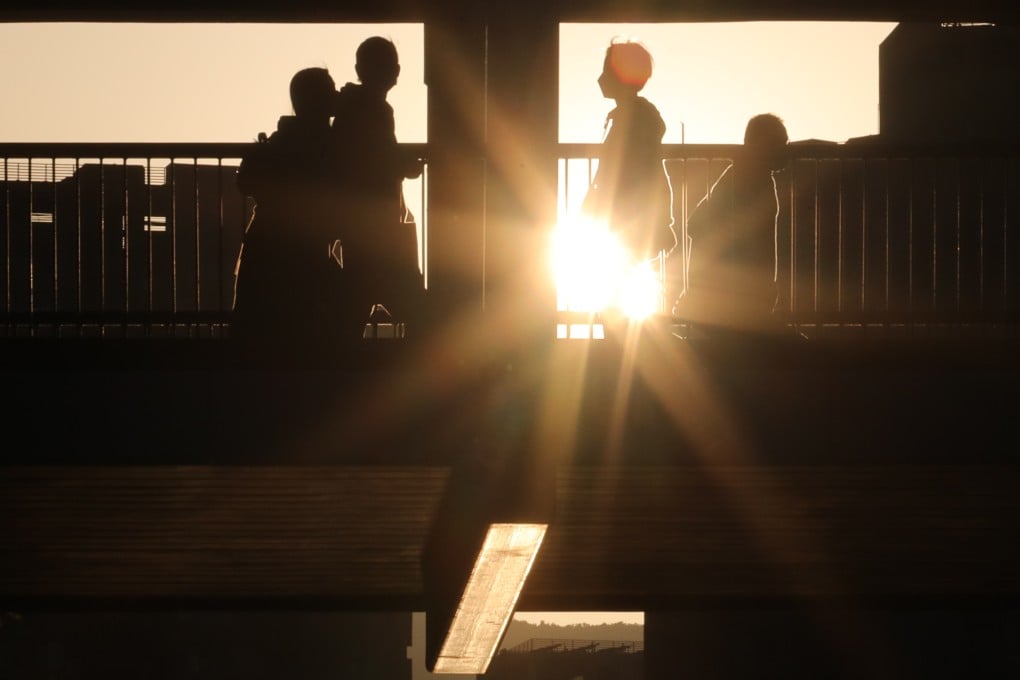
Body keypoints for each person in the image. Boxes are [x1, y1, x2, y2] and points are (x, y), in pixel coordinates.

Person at [231, 66, 346, 356]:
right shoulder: (330, 146)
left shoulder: (278, 142)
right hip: (304, 248)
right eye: (329, 89)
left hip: (265, 243)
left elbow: (246, 182)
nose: (336, 94)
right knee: (305, 333)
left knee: (259, 332)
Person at [331, 36, 424, 332]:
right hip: (377, 221)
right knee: (405, 296)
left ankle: (345, 360)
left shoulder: (349, 108)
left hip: (357, 218)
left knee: (359, 293)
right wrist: (409, 164)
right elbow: (382, 157)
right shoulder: (377, 110)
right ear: (394, 71)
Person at [675, 112, 790, 337]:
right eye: (778, 144)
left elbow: (695, 224)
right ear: (759, 145)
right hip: (737, 303)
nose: (784, 151)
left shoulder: (747, 175)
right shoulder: (746, 179)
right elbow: (697, 224)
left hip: (736, 301)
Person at [581, 39, 677, 264]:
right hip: (626, 217)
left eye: (607, 70)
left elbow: (623, 171)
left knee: (617, 281)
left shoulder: (634, 118)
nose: (601, 78)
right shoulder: (633, 115)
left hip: (628, 217)